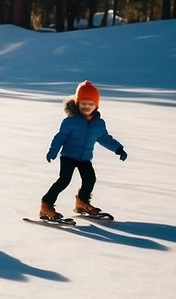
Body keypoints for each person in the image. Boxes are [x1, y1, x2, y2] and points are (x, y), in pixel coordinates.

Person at [39, 80, 127, 221]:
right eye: (83, 103)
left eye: (90, 104)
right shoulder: (70, 121)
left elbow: (104, 138)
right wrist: (53, 151)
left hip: (85, 158)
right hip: (68, 156)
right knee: (64, 180)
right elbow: (60, 137)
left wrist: (118, 149)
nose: (87, 107)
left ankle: (82, 202)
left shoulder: (98, 124)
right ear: (77, 103)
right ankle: (46, 205)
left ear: (96, 105)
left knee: (90, 179)